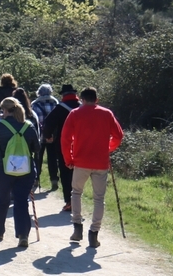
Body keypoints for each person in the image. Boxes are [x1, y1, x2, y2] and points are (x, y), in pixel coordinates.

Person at [61, 87, 124, 248]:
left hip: (80, 161)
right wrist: (108, 148)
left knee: (76, 193)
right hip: (100, 162)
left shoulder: (75, 114)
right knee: (99, 198)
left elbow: (65, 138)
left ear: (81, 99)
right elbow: (118, 136)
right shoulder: (107, 114)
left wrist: (68, 159)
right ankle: (94, 233)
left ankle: (77, 227)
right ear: (96, 99)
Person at [0, 97, 41, 248]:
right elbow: (37, 148)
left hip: (3, 168)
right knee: (21, 201)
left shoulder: (0, 125)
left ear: (5, 110)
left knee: (2, 200)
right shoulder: (28, 126)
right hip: (25, 169)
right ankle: (23, 234)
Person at [42, 84, 81, 211]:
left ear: (63, 95)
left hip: (64, 144)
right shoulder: (83, 107)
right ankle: (78, 200)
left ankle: (69, 201)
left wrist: (48, 136)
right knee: (80, 174)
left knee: (65, 172)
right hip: (82, 145)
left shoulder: (60, 108)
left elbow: (48, 123)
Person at [32, 84, 59, 190]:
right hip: (52, 136)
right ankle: (54, 179)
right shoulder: (56, 103)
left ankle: (36, 179)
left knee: (38, 158)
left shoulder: (35, 104)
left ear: (39, 93)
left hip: (39, 135)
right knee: (52, 158)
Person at [13, 88, 41, 190]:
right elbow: (37, 130)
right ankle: (35, 180)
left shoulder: (11, 116)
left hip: (14, 144)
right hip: (29, 145)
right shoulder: (32, 114)